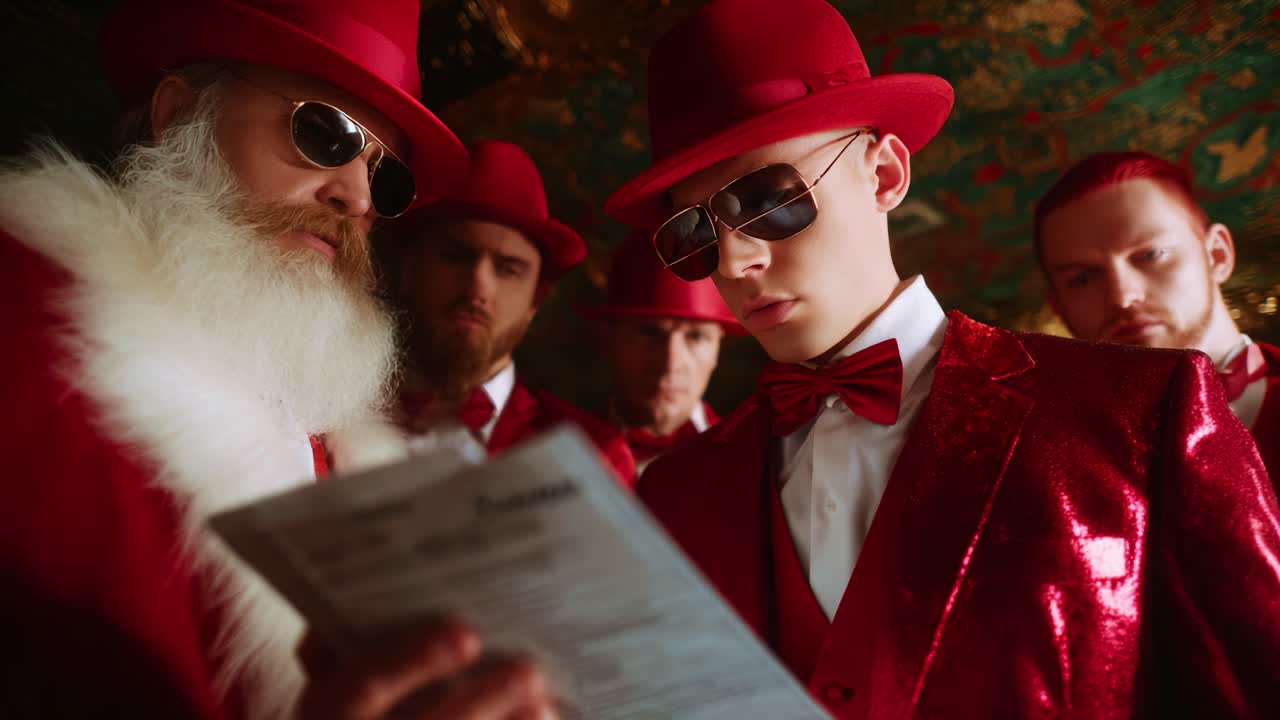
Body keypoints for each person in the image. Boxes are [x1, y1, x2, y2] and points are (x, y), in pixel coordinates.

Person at [602, 0, 1280, 717]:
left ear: (886, 174)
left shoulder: (1145, 411)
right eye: (694, 236)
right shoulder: (674, 494)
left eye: (769, 200)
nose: (735, 261)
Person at [0, 1, 556, 718]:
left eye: (385, 178)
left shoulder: (339, 440)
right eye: (325, 132)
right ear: (179, 115)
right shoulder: (22, 309)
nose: (355, 196)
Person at [390, 139, 636, 484]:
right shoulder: (326, 422)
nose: (478, 290)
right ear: (409, 269)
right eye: (456, 256)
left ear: (537, 298)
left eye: (508, 269)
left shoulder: (592, 457)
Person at [1035, 150, 1280, 486]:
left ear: (1217, 255)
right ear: (1058, 305)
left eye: (1152, 255)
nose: (1122, 296)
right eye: (1081, 278)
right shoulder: (1051, 464)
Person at [583, 231, 742, 472]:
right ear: (608, 338)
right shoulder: (555, 455)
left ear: (719, 347)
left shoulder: (752, 463)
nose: (670, 363)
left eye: (696, 336)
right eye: (649, 333)